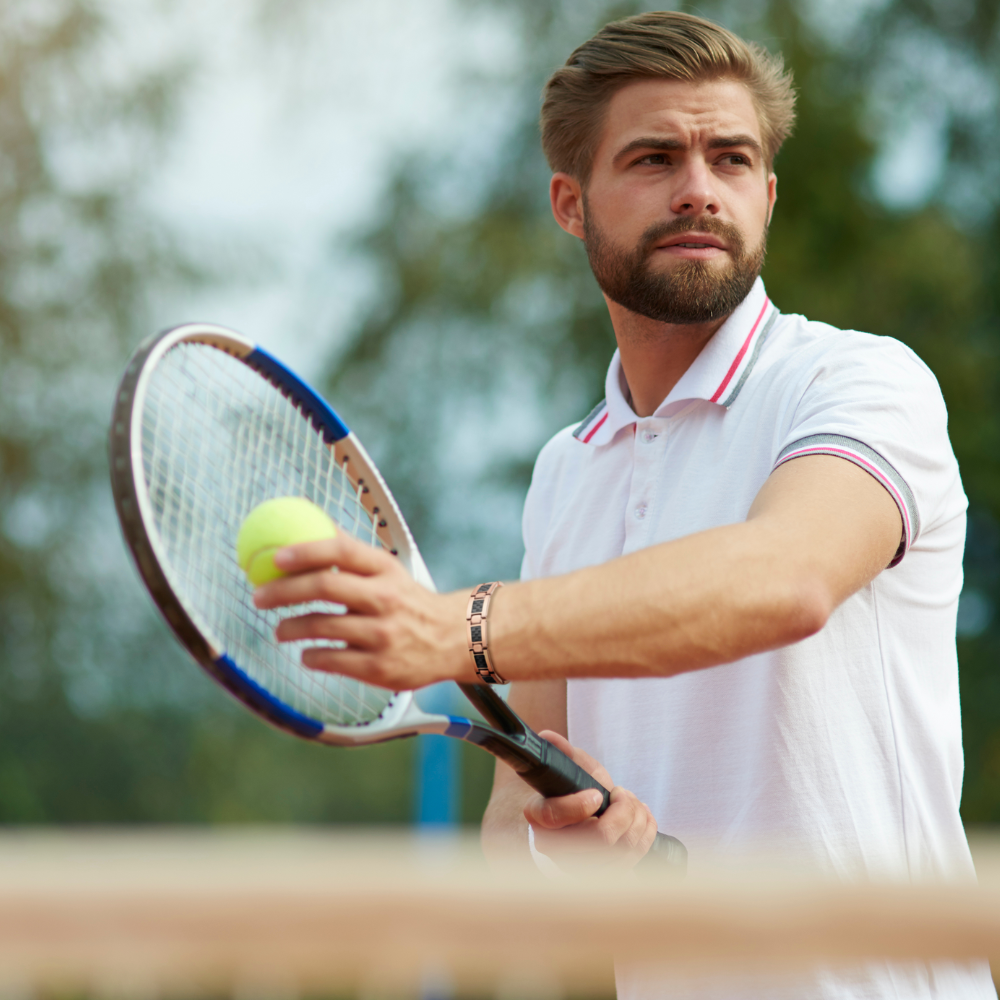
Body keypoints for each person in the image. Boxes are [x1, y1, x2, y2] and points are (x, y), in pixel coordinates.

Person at [253, 11, 995, 998]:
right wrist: (576, 848)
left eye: (730, 158)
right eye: (653, 158)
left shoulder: (859, 383)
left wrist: (450, 627)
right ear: (571, 201)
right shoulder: (567, 469)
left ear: (765, 194)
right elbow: (516, 815)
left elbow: (786, 578)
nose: (698, 188)